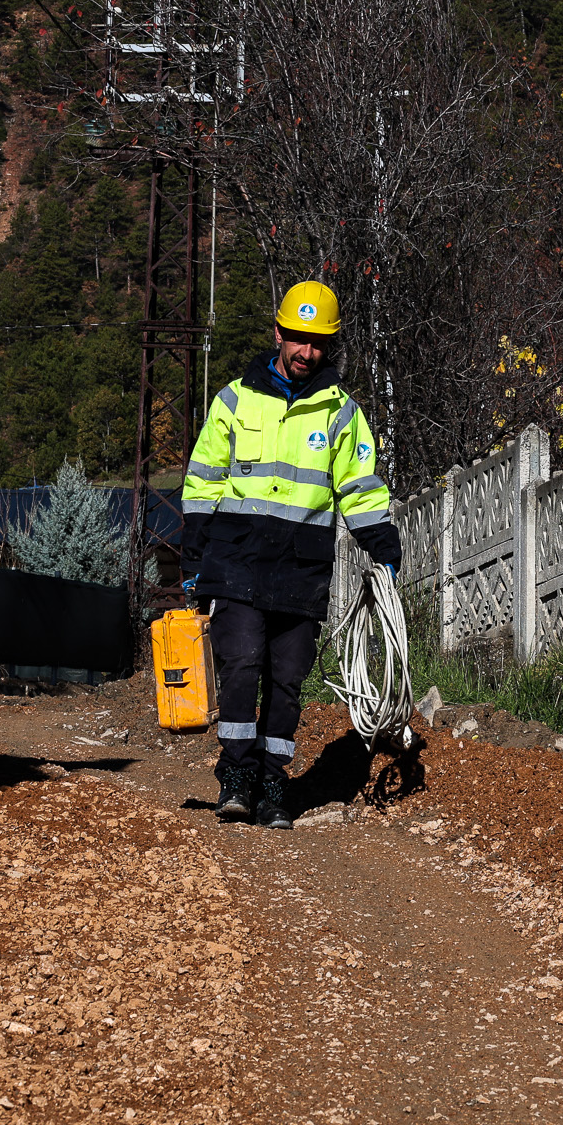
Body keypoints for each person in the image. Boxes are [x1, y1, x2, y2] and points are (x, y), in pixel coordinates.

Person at [179, 280, 402, 828]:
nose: (306, 352)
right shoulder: (233, 400)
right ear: (278, 333)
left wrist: (383, 549)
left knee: (286, 680)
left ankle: (274, 780)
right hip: (236, 560)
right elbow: (203, 482)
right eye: (299, 339)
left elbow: (360, 489)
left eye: (318, 343)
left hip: (302, 568)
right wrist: (194, 558)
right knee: (241, 665)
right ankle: (237, 776)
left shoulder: (342, 414)